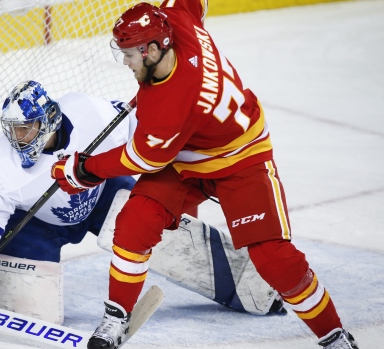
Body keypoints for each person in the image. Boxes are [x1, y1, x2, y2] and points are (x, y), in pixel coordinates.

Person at [50, 2, 358, 349]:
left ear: (152, 50)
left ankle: (334, 337)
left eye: (130, 55)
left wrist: (82, 170)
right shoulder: (176, 17)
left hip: (242, 159)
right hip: (187, 156)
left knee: (276, 260)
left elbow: (141, 159)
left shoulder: (171, 105)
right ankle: (116, 317)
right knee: (134, 224)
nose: (125, 62)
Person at [0, 80, 283, 328]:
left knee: (156, 231)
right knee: (35, 315)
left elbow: (146, 130)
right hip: (35, 227)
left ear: (48, 122)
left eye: (25, 129)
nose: (17, 139)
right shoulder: (1, 167)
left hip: (100, 193)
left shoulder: (90, 112)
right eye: (12, 130)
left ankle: (252, 286)